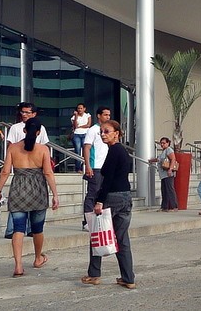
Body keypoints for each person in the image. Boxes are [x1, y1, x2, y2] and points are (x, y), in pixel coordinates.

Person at [0, 118, 59, 278]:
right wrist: (55, 194)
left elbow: (5, 171)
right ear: (38, 133)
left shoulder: (13, 148)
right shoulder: (43, 149)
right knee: (37, 229)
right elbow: (48, 173)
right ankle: (37, 258)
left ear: (24, 130)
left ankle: (18, 266)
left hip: (18, 189)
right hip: (38, 190)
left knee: (18, 229)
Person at [82, 119, 136, 289]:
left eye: (106, 131)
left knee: (97, 233)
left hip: (113, 196)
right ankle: (128, 277)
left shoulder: (115, 151)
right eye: (101, 132)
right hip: (126, 197)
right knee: (122, 239)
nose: (103, 135)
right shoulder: (122, 151)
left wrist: (99, 201)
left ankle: (94, 274)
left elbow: (109, 179)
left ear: (117, 133)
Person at [4, 102, 49, 239]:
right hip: (21, 167)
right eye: (22, 112)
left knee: (22, 203)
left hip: (35, 168)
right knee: (18, 204)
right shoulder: (15, 128)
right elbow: (10, 145)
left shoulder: (41, 129)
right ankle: (11, 230)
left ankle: (29, 229)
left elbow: (43, 145)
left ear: (34, 114)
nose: (24, 114)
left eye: (28, 112)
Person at [82, 106, 112, 231]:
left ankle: (99, 219)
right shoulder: (93, 130)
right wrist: (88, 166)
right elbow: (87, 147)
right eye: (105, 115)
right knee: (92, 194)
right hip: (95, 167)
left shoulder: (107, 131)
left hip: (105, 167)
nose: (108, 117)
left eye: (109, 115)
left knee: (103, 194)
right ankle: (87, 221)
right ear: (99, 115)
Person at [152, 137, 178, 211]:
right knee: (164, 190)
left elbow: (173, 159)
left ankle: (174, 206)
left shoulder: (169, 150)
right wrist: (151, 160)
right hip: (163, 175)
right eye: (161, 143)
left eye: (164, 143)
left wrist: (170, 169)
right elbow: (158, 159)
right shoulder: (163, 152)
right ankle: (164, 206)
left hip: (168, 173)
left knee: (170, 189)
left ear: (168, 143)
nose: (162, 144)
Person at [70, 103, 92, 171]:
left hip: (85, 134)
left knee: (85, 150)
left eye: (81, 108)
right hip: (77, 134)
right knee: (78, 150)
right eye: (78, 108)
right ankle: (78, 168)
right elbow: (75, 126)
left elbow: (88, 125)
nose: (79, 109)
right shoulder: (73, 117)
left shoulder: (87, 115)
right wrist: (76, 116)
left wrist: (80, 126)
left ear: (84, 109)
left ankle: (85, 167)